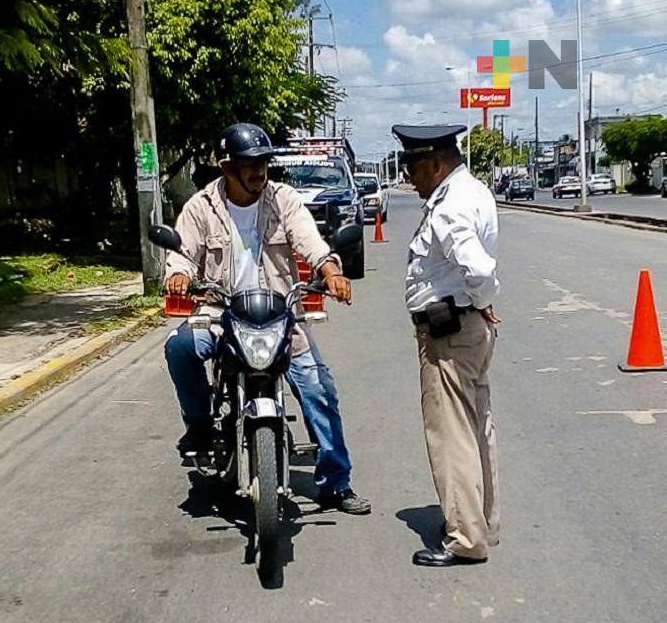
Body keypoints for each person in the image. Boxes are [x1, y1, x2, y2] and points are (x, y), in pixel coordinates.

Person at [163, 123, 370, 514]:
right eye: (249, 164)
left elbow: (309, 239)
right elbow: (182, 252)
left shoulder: (283, 200)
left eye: (263, 163)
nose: (260, 171)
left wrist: (329, 270)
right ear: (227, 167)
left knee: (318, 387)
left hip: (279, 314)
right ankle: (200, 423)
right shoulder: (200, 207)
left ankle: (336, 483)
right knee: (179, 348)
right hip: (220, 313)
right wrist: (178, 274)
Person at [393, 124, 501, 567]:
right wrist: (482, 304)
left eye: (414, 168)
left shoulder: (449, 206)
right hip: (468, 326)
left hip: (449, 333)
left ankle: (464, 538)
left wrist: (481, 299)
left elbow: (476, 267)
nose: (410, 179)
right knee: (477, 428)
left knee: (451, 435)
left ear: (436, 164)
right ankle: (483, 522)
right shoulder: (471, 191)